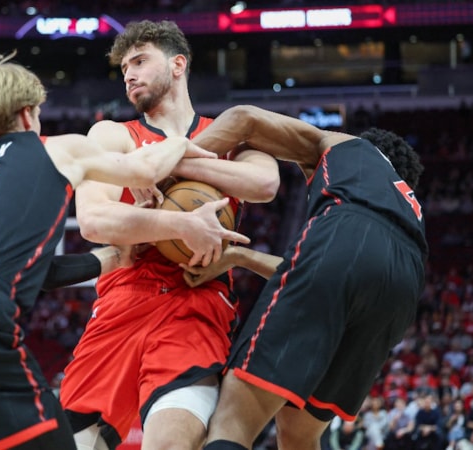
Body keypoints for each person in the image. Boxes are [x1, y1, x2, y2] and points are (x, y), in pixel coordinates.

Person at [0, 53, 245, 450]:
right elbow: (144, 169)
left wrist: (112, 259)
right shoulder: (56, 148)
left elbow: (32, 270)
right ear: (26, 114)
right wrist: (178, 141)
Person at [58, 20, 280, 450]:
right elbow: (94, 221)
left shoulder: (232, 136)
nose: (130, 75)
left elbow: (264, 185)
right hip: (122, 299)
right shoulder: (113, 134)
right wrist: (181, 225)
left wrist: (165, 163)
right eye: (124, 68)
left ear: (178, 65)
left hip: (196, 301)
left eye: (140, 61)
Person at [177, 105, 427, 450]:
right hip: (405, 284)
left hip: (346, 240)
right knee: (299, 434)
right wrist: (238, 257)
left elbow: (244, 118)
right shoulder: (406, 203)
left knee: (233, 421)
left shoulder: (350, 146)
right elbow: (324, 269)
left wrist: (168, 170)